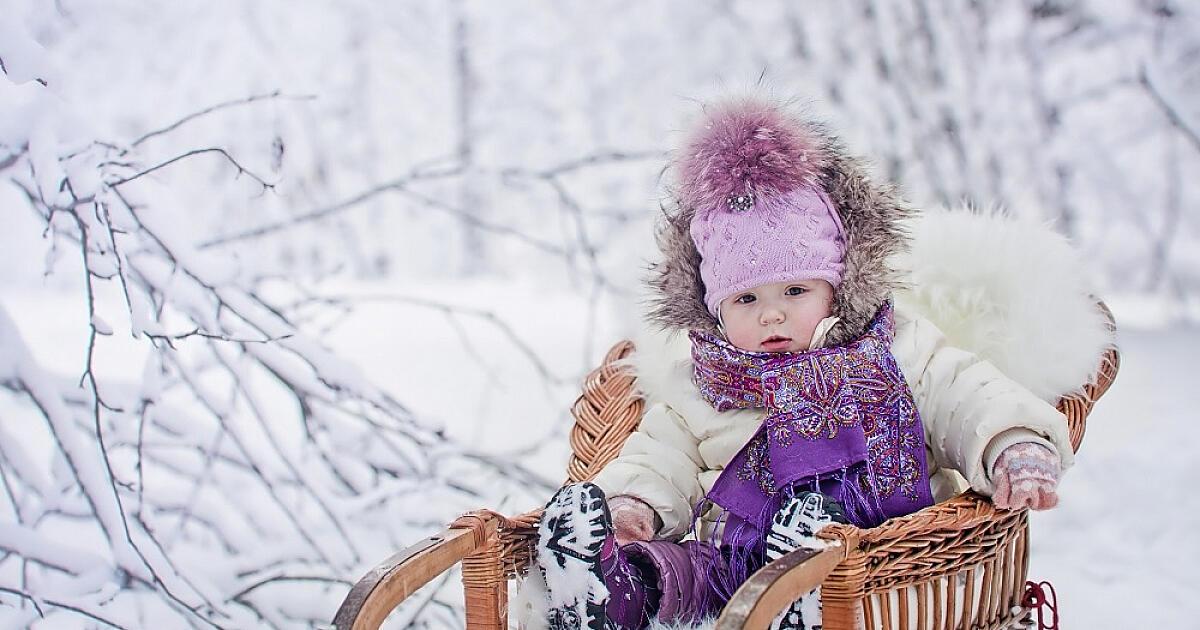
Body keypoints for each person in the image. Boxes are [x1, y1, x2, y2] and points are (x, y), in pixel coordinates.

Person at [533, 97, 1070, 630]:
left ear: (836, 288)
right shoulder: (704, 383)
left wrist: (1012, 442)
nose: (772, 315)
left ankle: (802, 588)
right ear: (715, 310)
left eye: (794, 289)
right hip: (732, 566)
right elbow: (659, 455)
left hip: (879, 559)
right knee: (679, 576)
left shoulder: (893, 349)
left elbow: (966, 392)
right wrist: (632, 506)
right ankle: (607, 589)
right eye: (746, 300)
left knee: (826, 560)